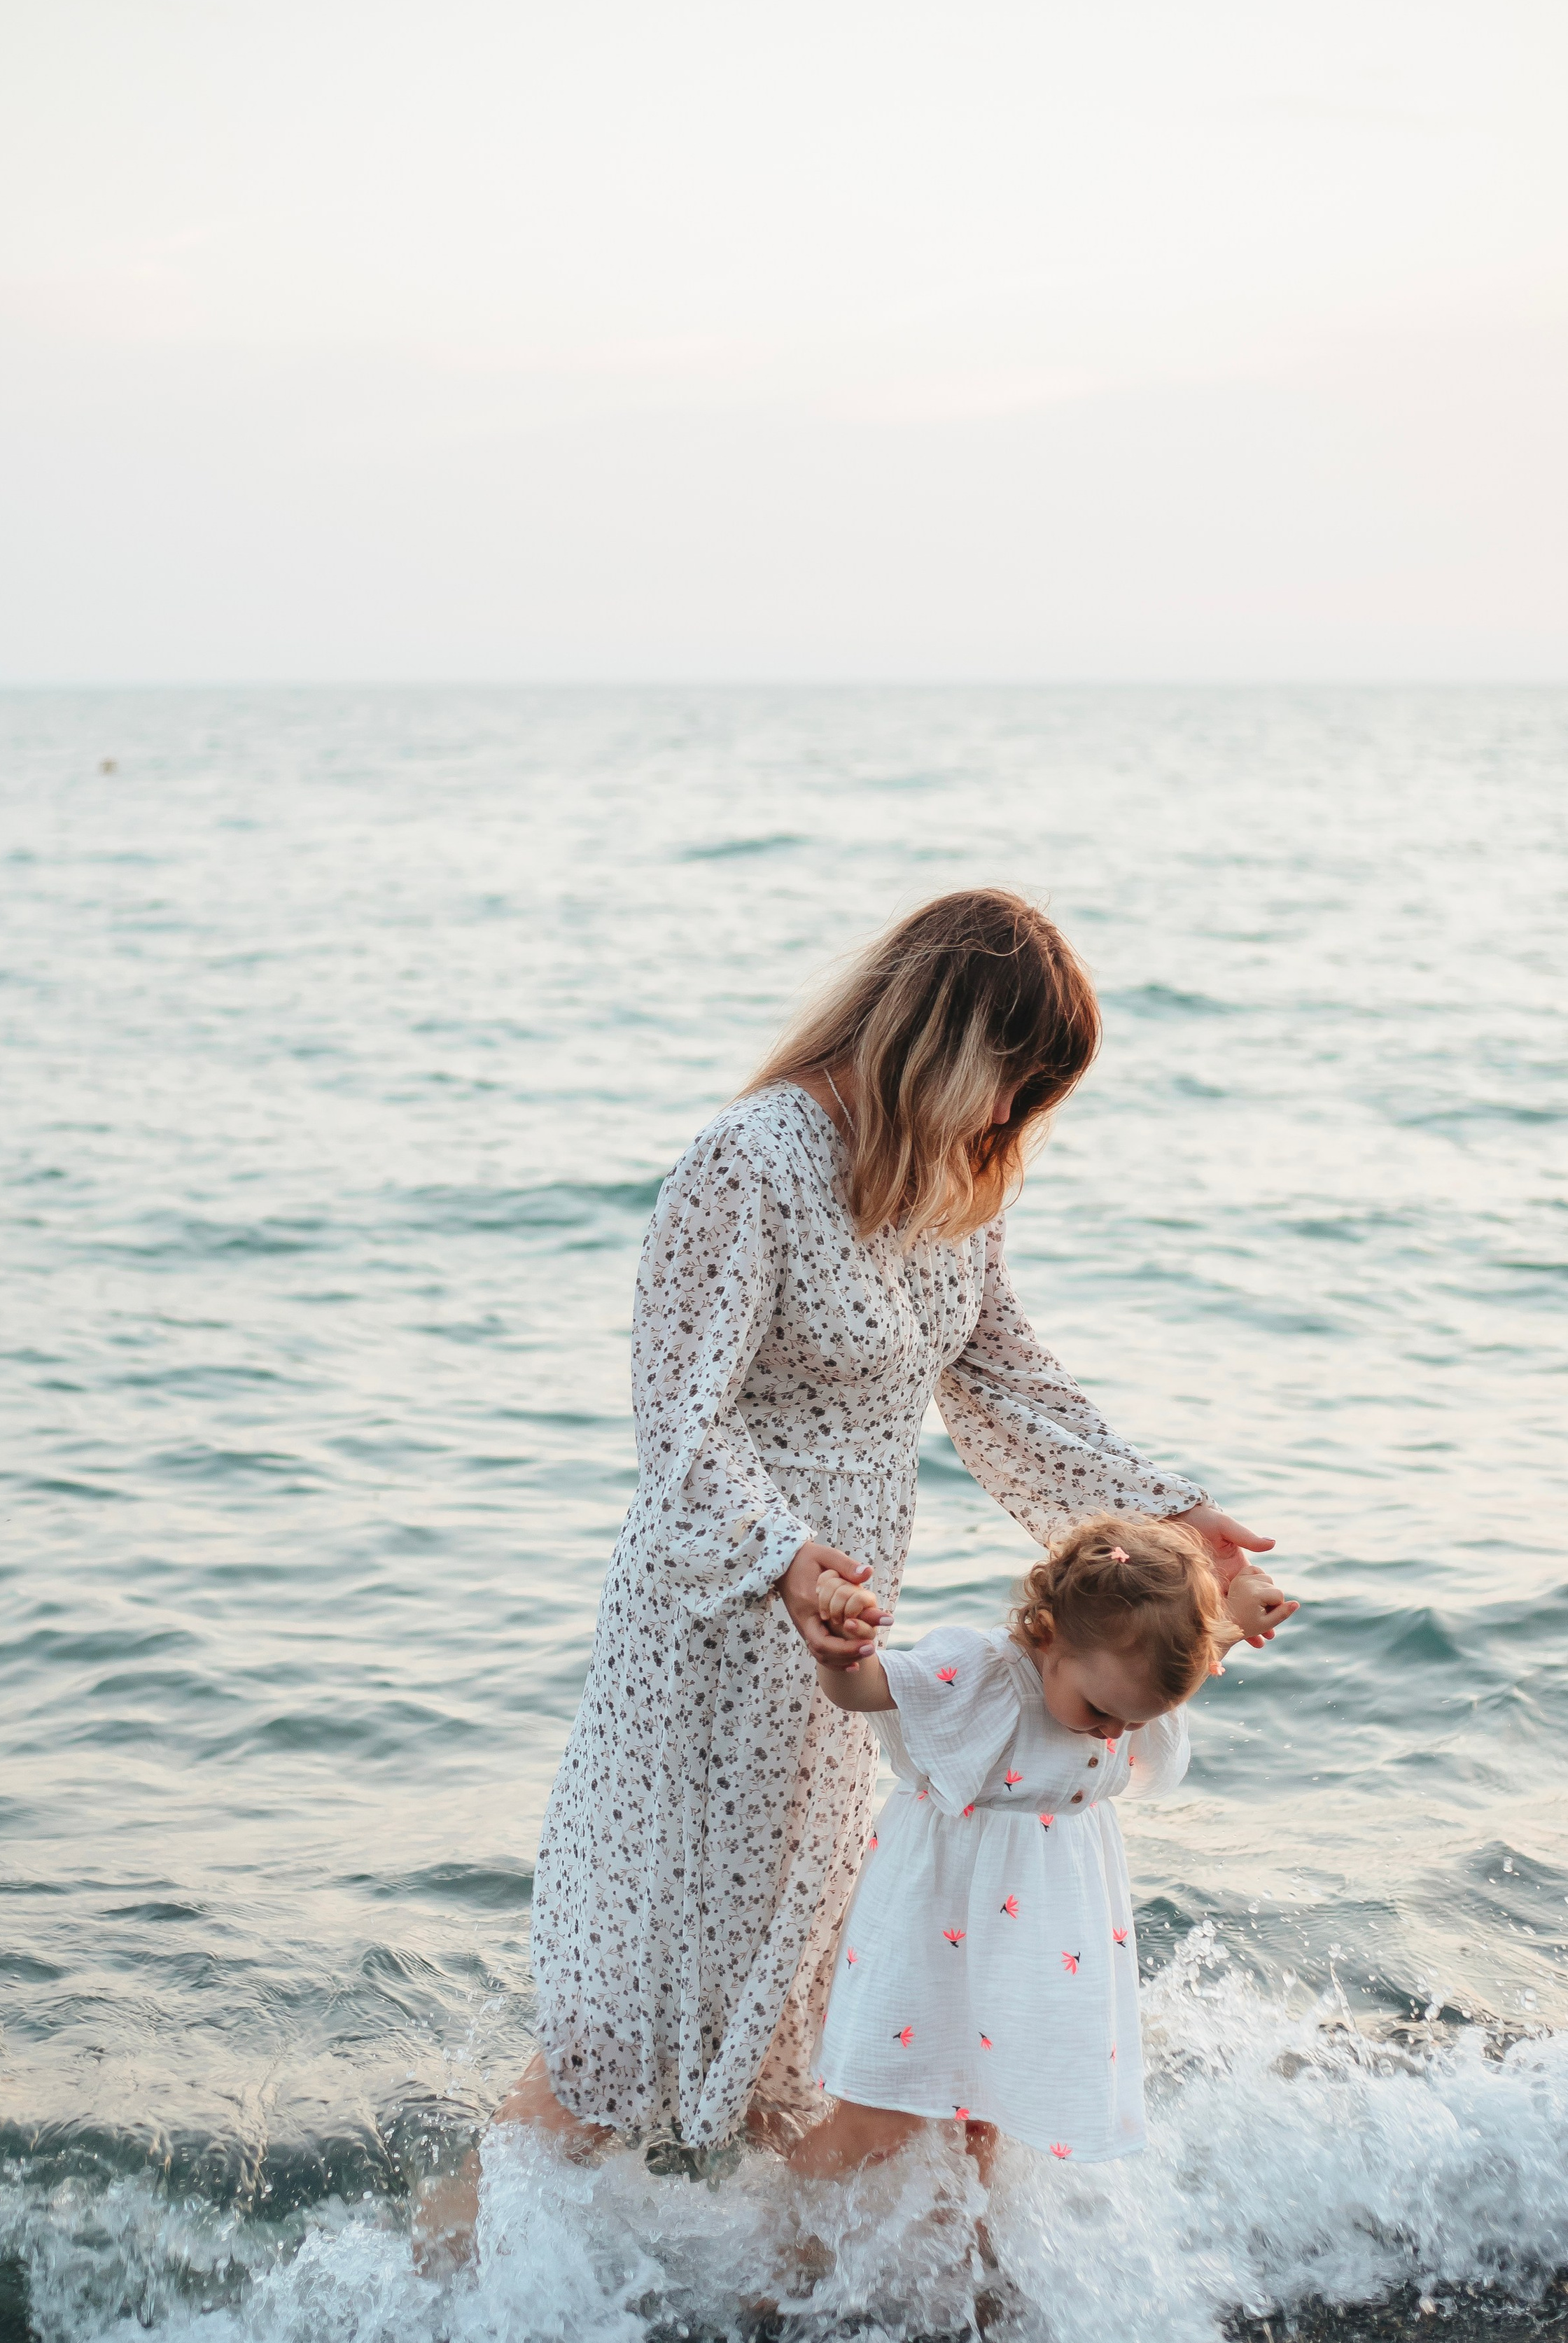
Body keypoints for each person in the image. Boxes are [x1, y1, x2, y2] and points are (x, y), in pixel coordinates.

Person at [416, 890, 1283, 2252]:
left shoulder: (951, 1182)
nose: (1011, 1125)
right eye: (1010, 1085)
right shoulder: (748, 1163)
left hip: (847, 1640)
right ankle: (454, 2294)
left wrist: (1173, 1514)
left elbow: (1001, 1379)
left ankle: (782, 2293)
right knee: (636, 1985)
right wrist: (779, 1560)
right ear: (939, 1039)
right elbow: (677, 1420)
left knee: (812, 1974)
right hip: (715, 1618)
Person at [787, 1513, 1296, 2184]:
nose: (1112, 1734)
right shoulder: (980, 1673)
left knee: (988, 2110)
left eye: (1134, 1722)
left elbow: (1166, 1650)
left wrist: (1229, 1616)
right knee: (882, 2113)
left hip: (1040, 1922)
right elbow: (872, 1690)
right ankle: (783, 2252)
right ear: (1048, 1634)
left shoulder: (1128, 1669)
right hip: (937, 1909)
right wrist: (842, 1653)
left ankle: (972, 2253)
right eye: (1100, 1712)